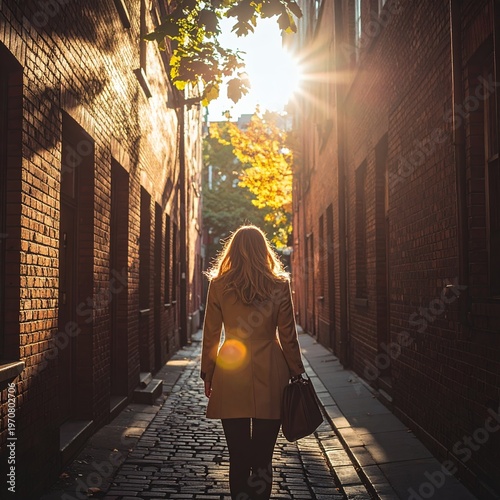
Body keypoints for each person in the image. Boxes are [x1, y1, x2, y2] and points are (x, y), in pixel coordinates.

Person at [200, 225, 305, 500]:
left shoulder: (219, 285)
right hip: (271, 372)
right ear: (264, 251)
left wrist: (207, 374)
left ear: (232, 251)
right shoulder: (279, 285)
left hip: (230, 371)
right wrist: (297, 373)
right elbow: (288, 336)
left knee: (237, 457)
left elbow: (211, 335)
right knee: (262, 459)